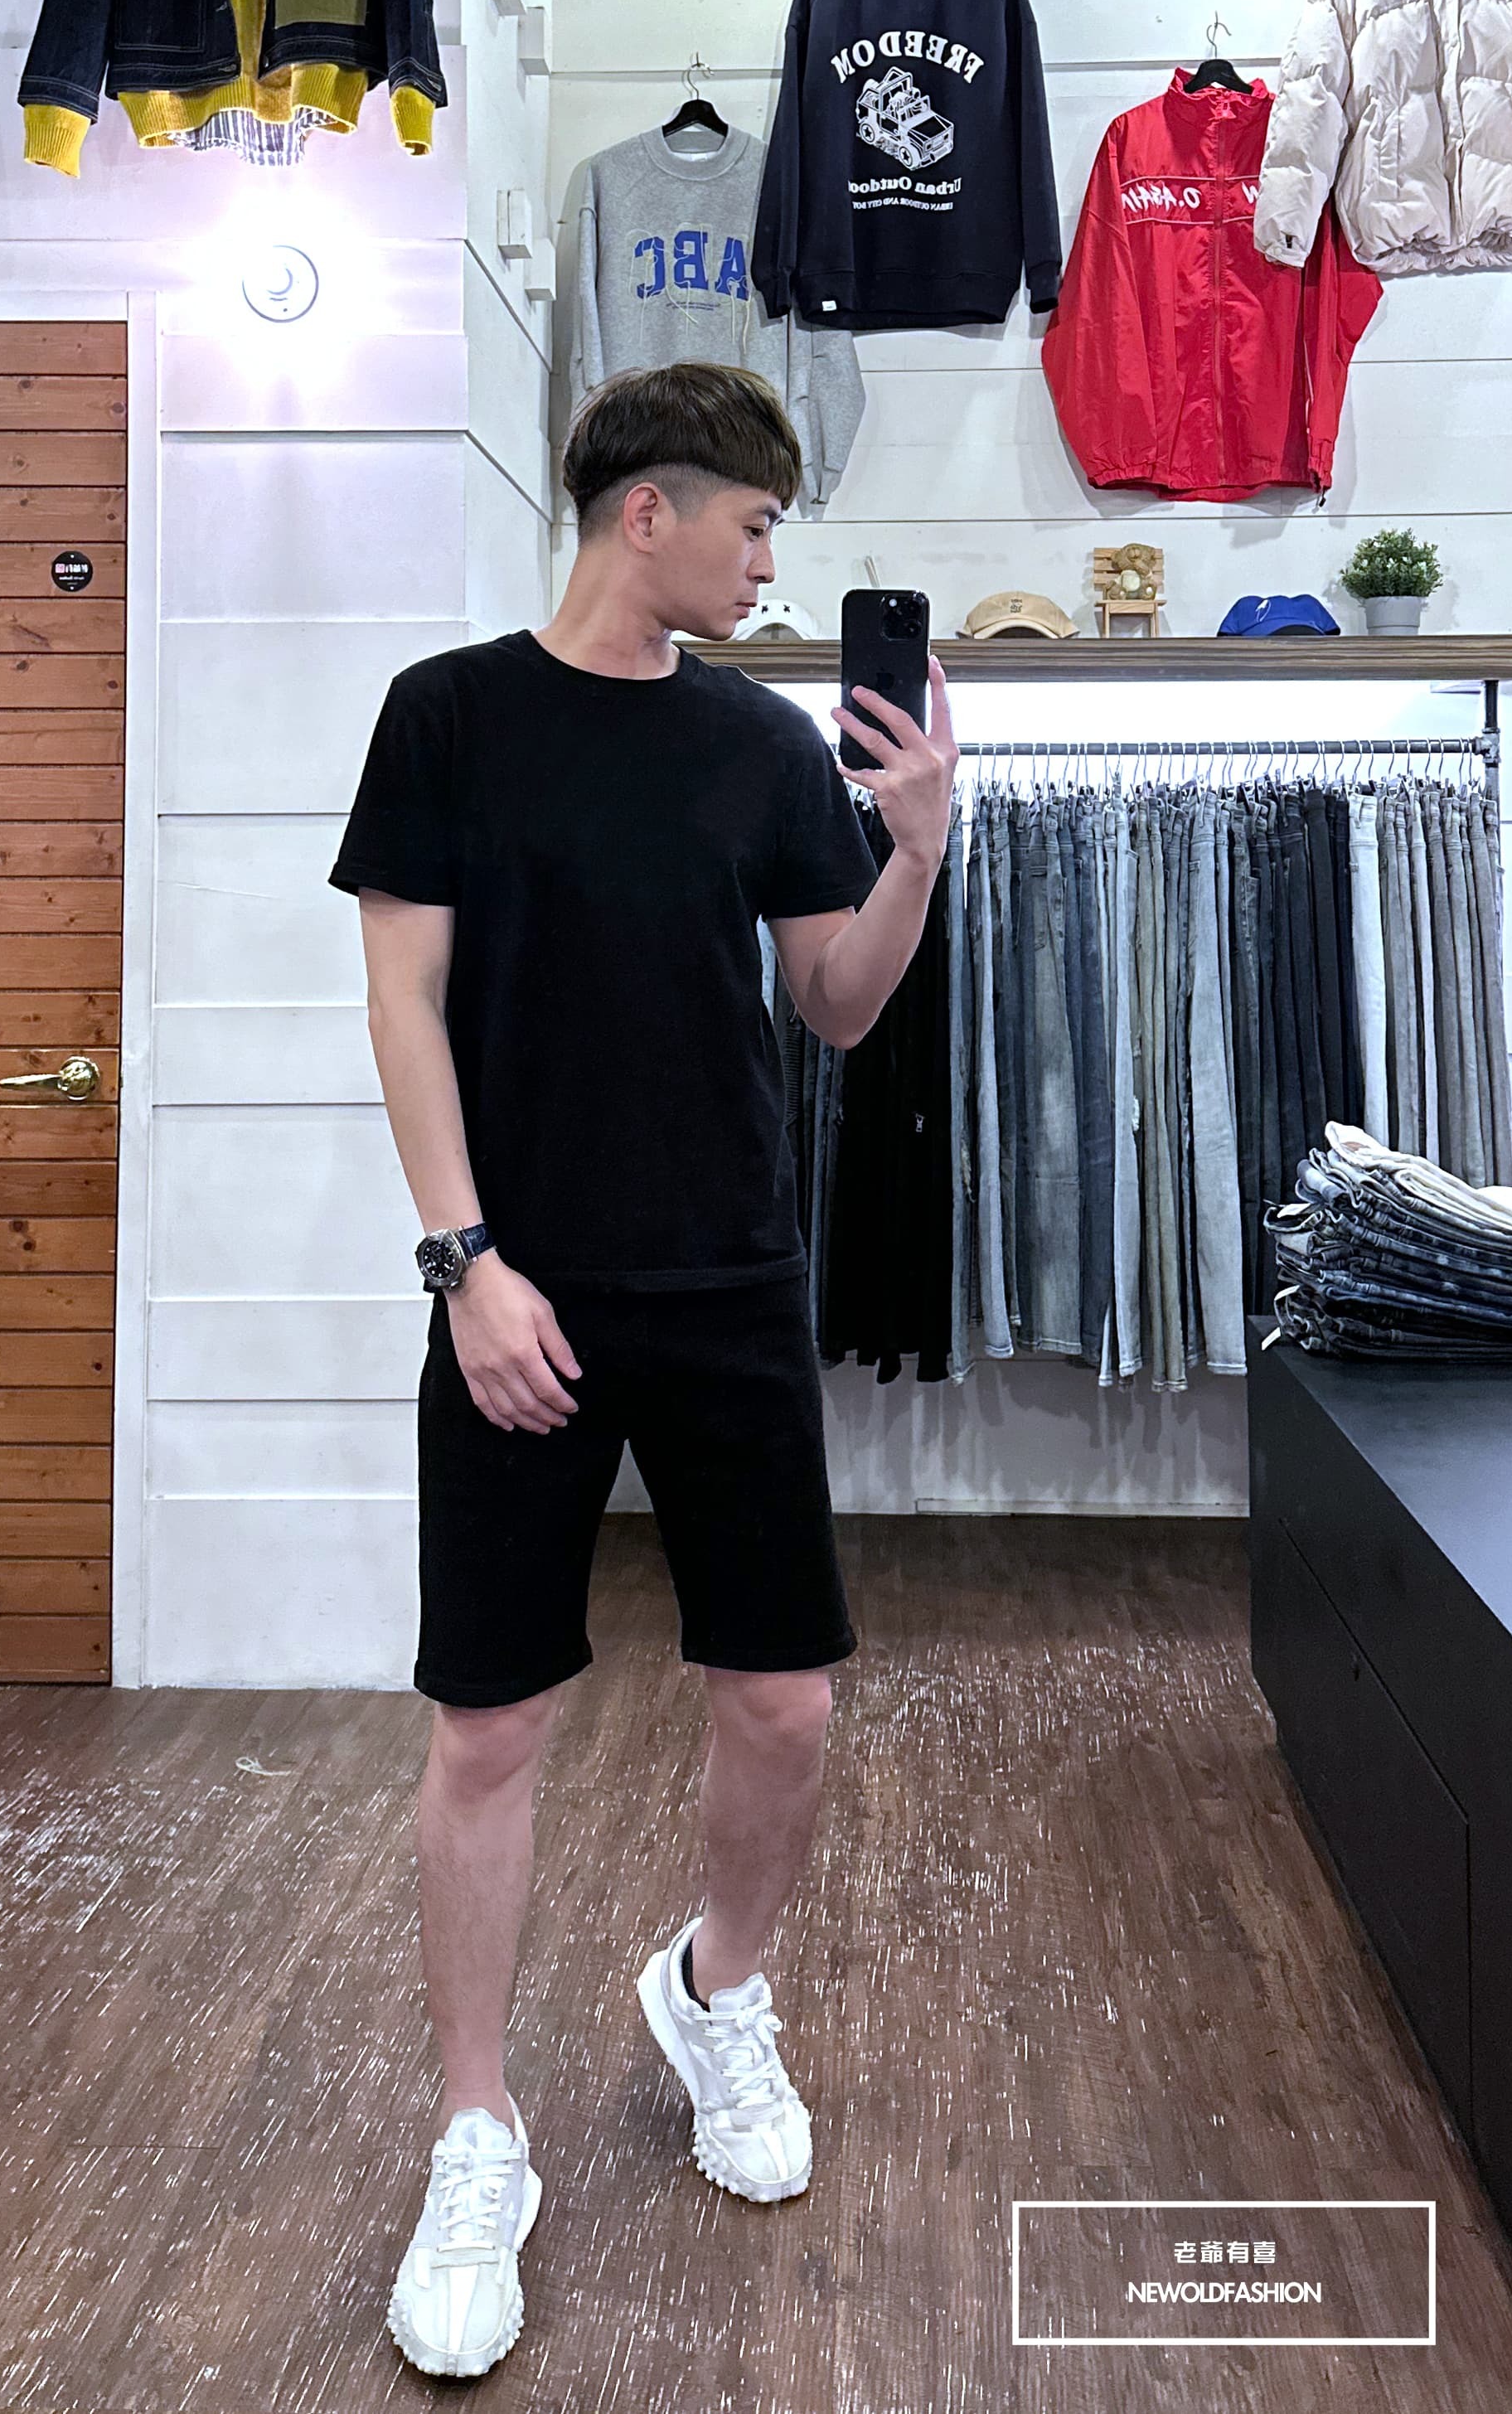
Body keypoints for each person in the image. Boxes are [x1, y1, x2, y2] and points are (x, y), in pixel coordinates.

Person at [327, 360, 957, 2378]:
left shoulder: (761, 744)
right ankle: (477, 2131)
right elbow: (403, 999)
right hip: (516, 1288)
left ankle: (713, 1992)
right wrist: (466, 1264)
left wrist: (915, 845)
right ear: (646, 512)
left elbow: (833, 1007)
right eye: (755, 523)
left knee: (782, 1700)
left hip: (728, 1284)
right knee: (487, 1724)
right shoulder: (448, 714)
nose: (772, 563)